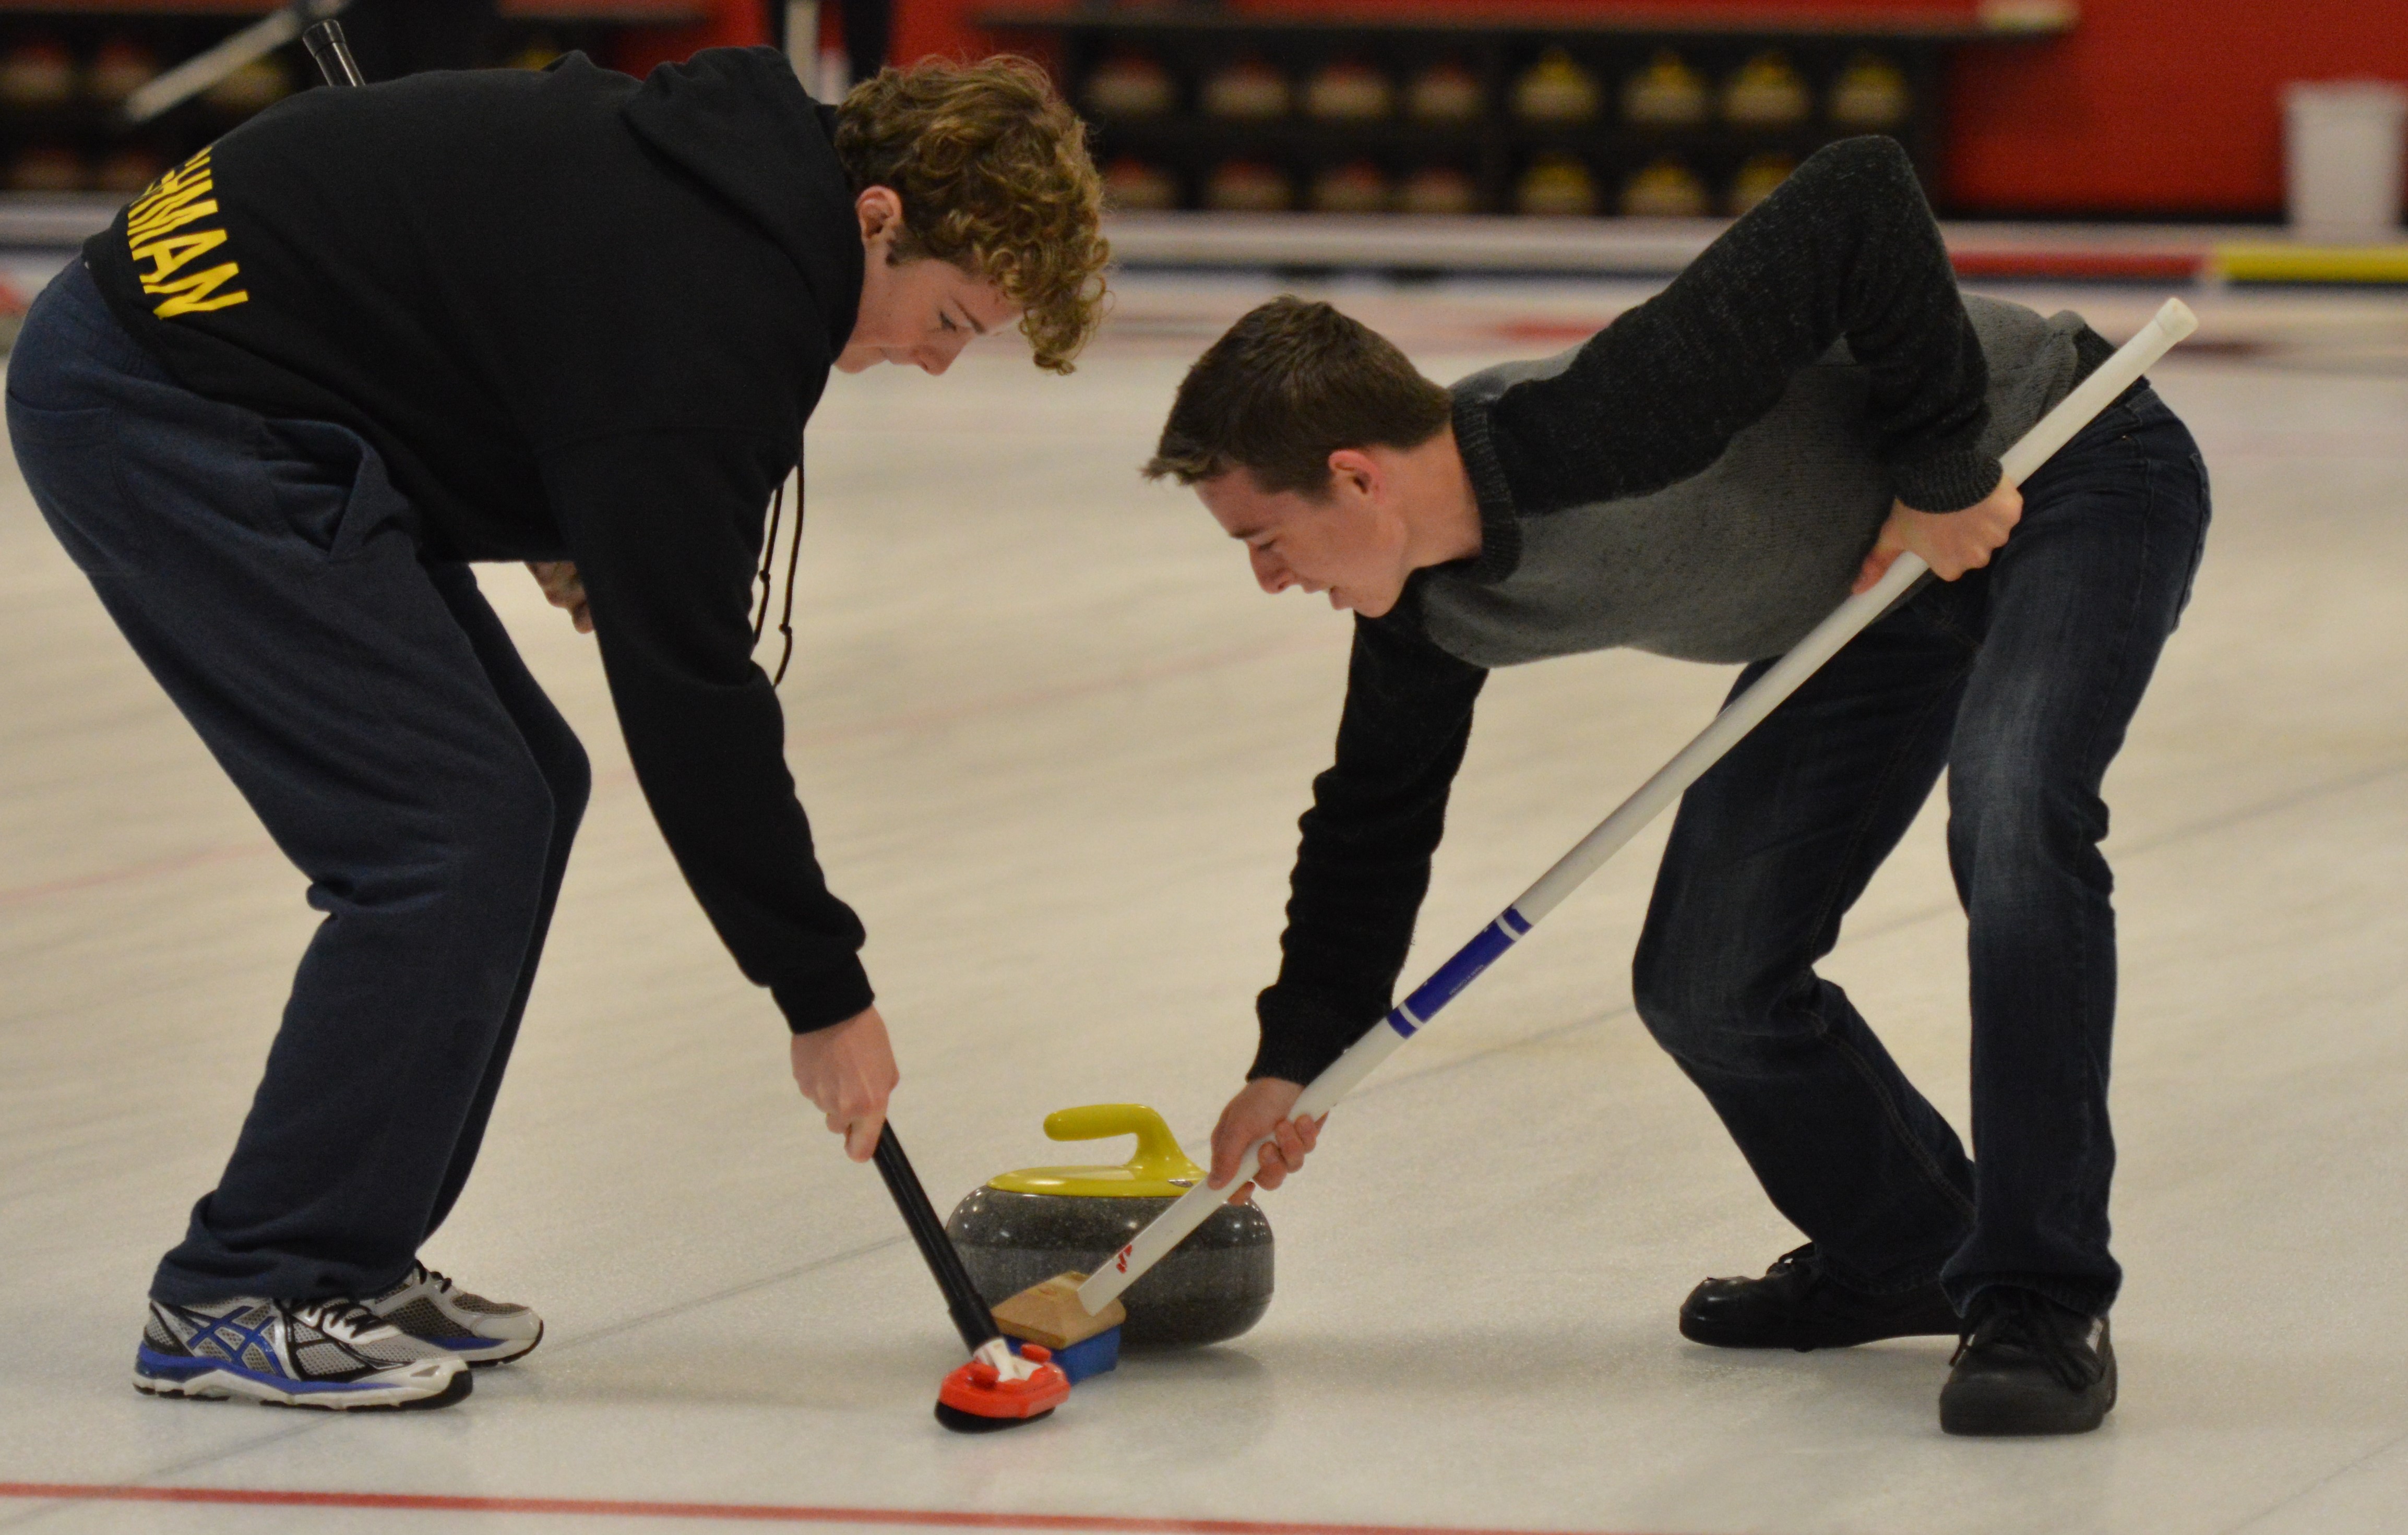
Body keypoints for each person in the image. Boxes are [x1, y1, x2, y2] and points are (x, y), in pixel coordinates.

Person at [7, 49, 1106, 1411]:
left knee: (525, 783)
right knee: (446, 827)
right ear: (877, 217)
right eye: (947, 319)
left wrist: (570, 504)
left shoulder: (738, 176)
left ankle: (347, 1248)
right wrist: (820, 987)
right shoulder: (718, 301)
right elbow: (691, 685)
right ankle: (246, 1286)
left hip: (256, 377)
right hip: (167, 401)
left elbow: (521, 298)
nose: (934, 365)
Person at [1144, 137, 2208, 1437]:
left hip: (2062, 461)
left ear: (1358, 476)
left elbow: (1862, 196)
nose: (1266, 577)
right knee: (1708, 977)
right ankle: (1907, 1243)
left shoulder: (1611, 410)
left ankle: (2040, 1297)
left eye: (1265, 537)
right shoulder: (1428, 614)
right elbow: (1372, 824)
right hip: (1868, 598)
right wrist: (1293, 1062)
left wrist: (1943, 470)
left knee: (2014, 811)